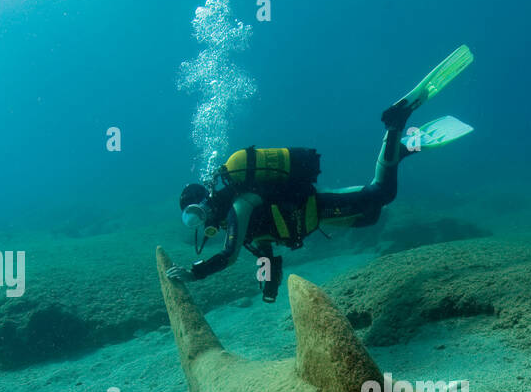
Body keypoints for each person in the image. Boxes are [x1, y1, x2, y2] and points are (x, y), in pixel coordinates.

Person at [166, 45, 474, 302]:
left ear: (205, 198)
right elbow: (264, 247)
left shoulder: (238, 206)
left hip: (317, 208)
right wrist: (269, 287)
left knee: (382, 194)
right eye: (190, 219)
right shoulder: (237, 212)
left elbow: (230, 255)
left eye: (195, 213)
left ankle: (396, 123)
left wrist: (195, 273)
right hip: (315, 217)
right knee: (371, 217)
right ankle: (402, 149)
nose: (199, 219)